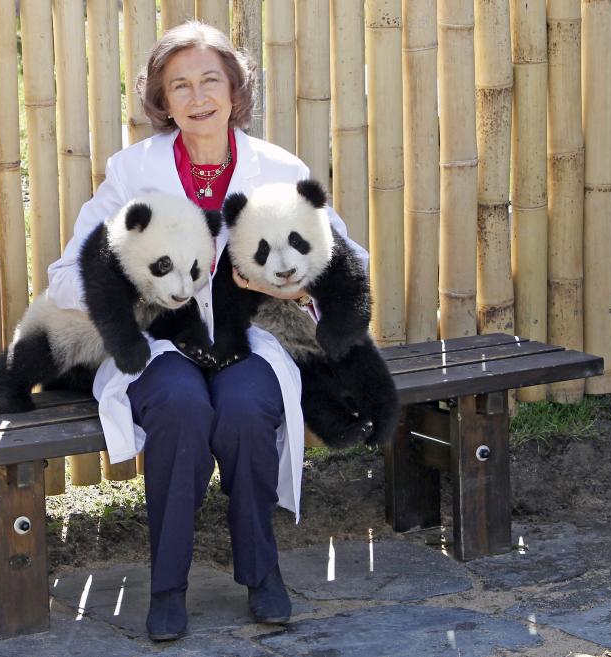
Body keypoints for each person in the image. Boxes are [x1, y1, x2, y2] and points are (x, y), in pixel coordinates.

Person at [46, 21, 369, 641]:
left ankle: (261, 571)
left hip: (251, 338)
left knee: (247, 409)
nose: (198, 97)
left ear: (235, 89)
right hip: (161, 342)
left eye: (210, 80)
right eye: (180, 85)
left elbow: (345, 264)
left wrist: (289, 286)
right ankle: (168, 585)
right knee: (182, 408)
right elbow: (67, 275)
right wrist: (145, 284)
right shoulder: (132, 171)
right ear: (161, 100)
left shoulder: (278, 167)